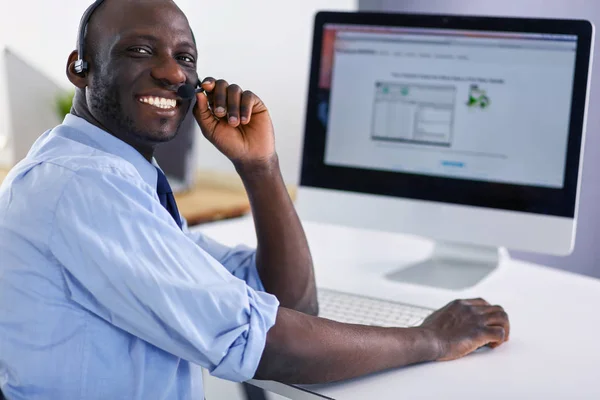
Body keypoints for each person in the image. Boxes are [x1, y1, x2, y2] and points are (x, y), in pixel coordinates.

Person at [0, 0, 510, 399]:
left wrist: (259, 167)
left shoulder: (117, 180)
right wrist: (430, 340)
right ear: (80, 67)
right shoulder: (82, 187)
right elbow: (266, 344)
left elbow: (289, 303)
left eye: (185, 58)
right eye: (139, 50)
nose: (174, 73)